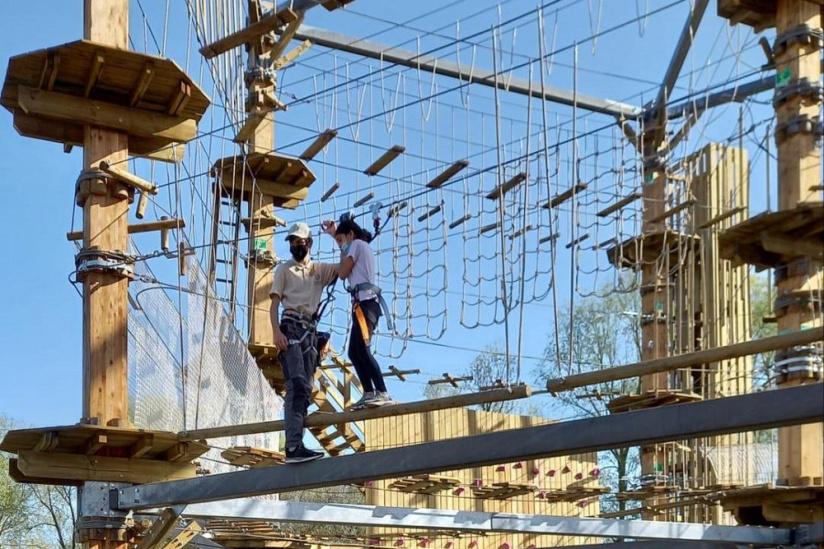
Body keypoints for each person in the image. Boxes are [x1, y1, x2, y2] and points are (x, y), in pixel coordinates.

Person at [270, 222, 338, 464]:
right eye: (292, 242)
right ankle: (293, 446)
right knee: (297, 384)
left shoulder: (318, 270)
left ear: (309, 243)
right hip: (290, 327)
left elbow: (345, 268)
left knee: (305, 389)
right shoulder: (284, 270)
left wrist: (336, 235)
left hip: (309, 332)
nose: (295, 246)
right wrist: (276, 333)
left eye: (300, 242)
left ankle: (297, 444)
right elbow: (274, 305)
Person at [321, 217, 394, 410]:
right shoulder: (357, 246)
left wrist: (341, 245)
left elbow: (343, 272)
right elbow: (346, 261)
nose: (340, 245)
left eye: (341, 240)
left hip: (367, 305)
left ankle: (382, 392)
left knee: (363, 350)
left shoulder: (357, 244)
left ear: (350, 235)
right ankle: (369, 393)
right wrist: (335, 235)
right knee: (354, 351)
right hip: (362, 305)